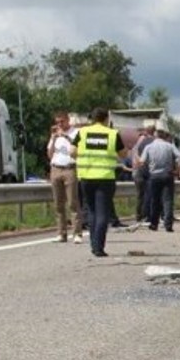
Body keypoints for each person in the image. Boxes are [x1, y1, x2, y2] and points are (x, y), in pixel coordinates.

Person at [71, 107, 126, 257]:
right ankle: (98, 247)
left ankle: (93, 244)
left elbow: (72, 152)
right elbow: (123, 154)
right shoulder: (112, 133)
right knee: (103, 213)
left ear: (92, 119)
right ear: (106, 119)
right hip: (105, 178)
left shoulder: (82, 132)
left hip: (86, 177)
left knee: (91, 211)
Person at [139, 123, 180, 231]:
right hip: (168, 175)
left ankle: (154, 223)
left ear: (155, 136)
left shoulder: (149, 147)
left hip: (154, 176)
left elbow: (142, 161)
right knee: (167, 200)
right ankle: (168, 224)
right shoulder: (170, 146)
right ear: (164, 136)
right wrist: (177, 170)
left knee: (155, 200)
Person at [47, 111, 81, 243]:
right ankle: (61, 233)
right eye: (57, 122)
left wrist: (65, 136)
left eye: (62, 121)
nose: (60, 124)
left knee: (73, 202)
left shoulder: (75, 133)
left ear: (68, 120)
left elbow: (77, 150)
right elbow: (50, 154)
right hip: (55, 168)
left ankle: (77, 233)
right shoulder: (55, 135)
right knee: (58, 204)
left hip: (70, 168)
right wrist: (54, 137)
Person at [131, 125, 155, 222]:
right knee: (148, 194)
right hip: (145, 170)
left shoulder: (138, 143)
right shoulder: (150, 141)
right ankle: (146, 215)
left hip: (137, 171)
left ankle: (139, 215)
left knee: (140, 195)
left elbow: (135, 154)